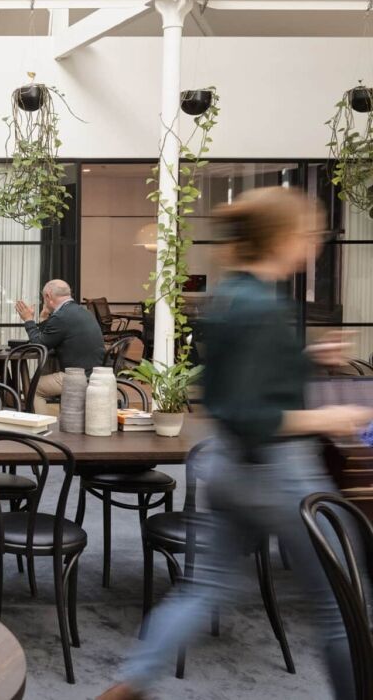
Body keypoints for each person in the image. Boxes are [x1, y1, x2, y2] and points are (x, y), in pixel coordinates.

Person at [100, 188, 370, 700]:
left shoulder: (232, 298)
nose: (315, 243)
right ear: (284, 238)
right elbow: (253, 415)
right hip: (276, 471)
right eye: (310, 234)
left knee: (203, 590)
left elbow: (236, 388)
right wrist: (329, 414)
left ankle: (131, 682)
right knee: (344, 604)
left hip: (223, 467)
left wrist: (309, 357)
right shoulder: (264, 308)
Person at [13, 279, 104, 416]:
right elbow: (49, 338)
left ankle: (42, 429)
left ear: (48, 296)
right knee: (44, 375)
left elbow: (39, 345)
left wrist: (28, 320)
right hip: (96, 373)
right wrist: (44, 318)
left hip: (79, 376)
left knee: (33, 387)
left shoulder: (62, 316)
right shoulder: (82, 312)